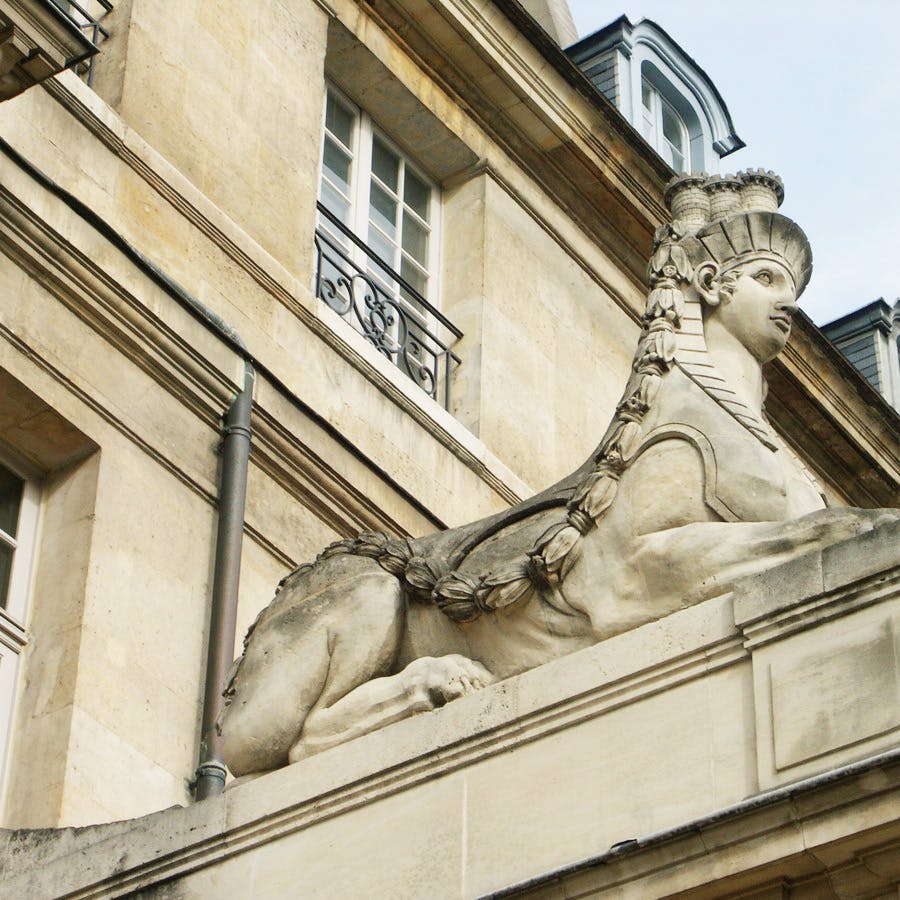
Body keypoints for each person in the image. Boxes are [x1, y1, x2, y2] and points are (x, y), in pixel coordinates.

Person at [219, 171, 897, 777]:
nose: (790, 303)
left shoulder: (764, 449)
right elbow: (648, 567)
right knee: (370, 594)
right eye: (768, 279)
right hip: (386, 601)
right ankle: (338, 720)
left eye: (794, 287)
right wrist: (830, 537)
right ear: (715, 285)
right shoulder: (678, 431)